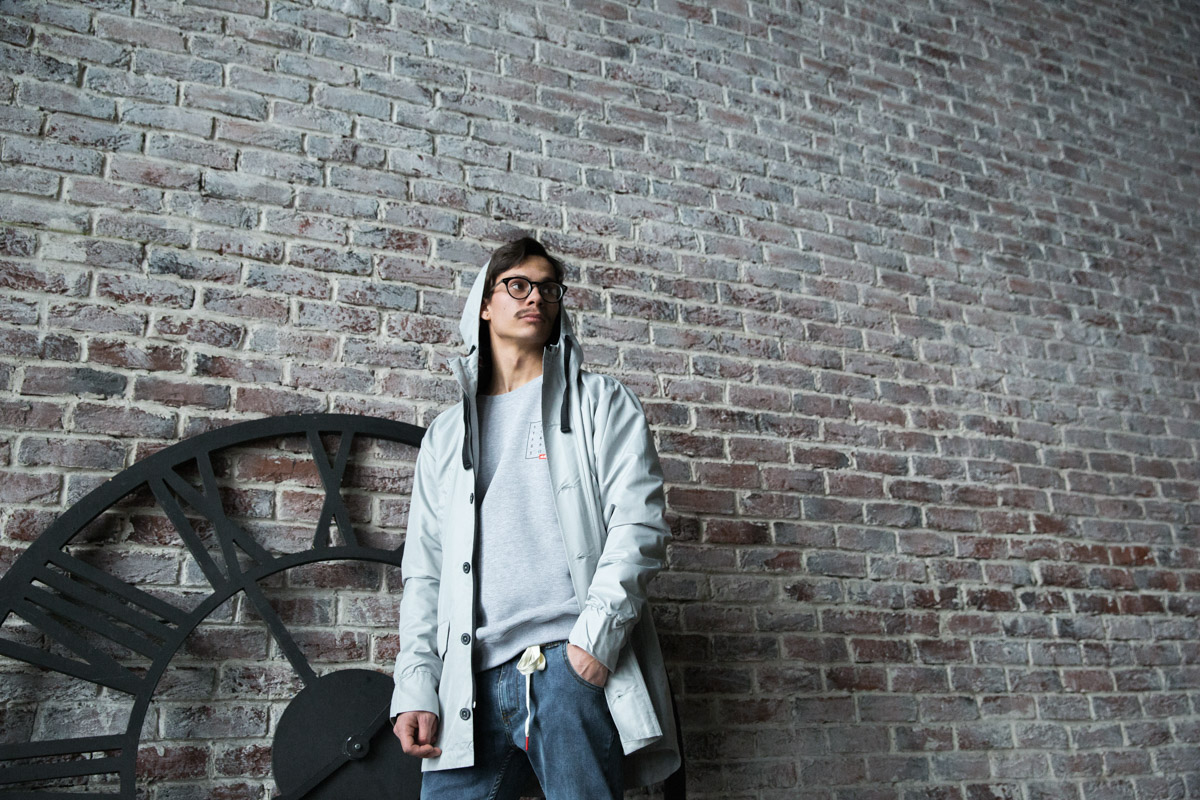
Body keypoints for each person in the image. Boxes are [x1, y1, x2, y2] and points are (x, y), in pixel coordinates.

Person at [390, 236, 681, 799]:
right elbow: (425, 573)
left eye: (549, 289)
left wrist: (591, 646)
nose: (536, 298)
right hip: (465, 687)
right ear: (484, 303)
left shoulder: (601, 402)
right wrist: (417, 686)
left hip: (564, 668)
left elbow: (638, 526)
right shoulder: (445, 436)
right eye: (518, 285)